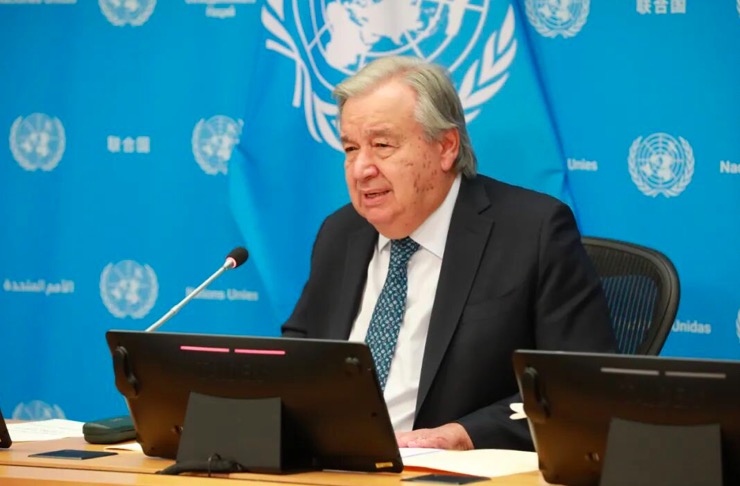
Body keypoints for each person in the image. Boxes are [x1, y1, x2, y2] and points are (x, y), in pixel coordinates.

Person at [282, 56, 616, 451]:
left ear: (445, 147)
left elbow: (578, 385)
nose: (360, 169)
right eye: (351, 148)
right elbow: (299, 357)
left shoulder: (533, 233)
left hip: (450, 469)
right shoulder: (341, 233)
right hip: (333, 465)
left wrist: (464, 435)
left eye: (382, 145)